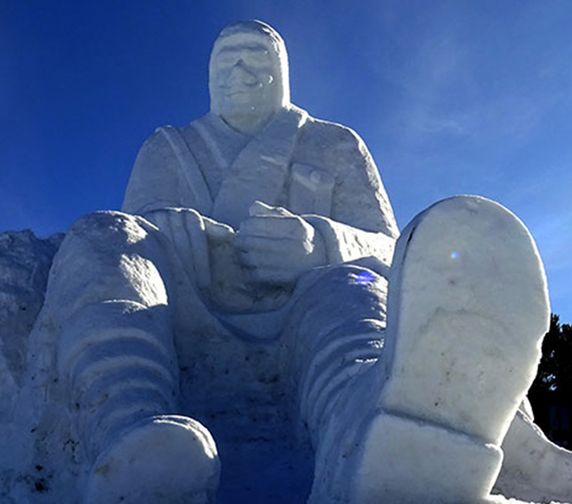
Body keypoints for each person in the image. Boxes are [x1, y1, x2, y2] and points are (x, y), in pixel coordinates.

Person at [39, 20, 570, 503]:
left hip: (308, 310)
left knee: (353, 289)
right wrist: (167, 229)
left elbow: (389, 247)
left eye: (255, 59)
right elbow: (133, 238)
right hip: (191, 314)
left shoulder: (333, 144)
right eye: (227, 62)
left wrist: (322, 244)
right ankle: (130, 433)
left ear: (283, 72)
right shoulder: (169, 148)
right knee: (102, 233)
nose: (240, 73)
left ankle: (379, 439)